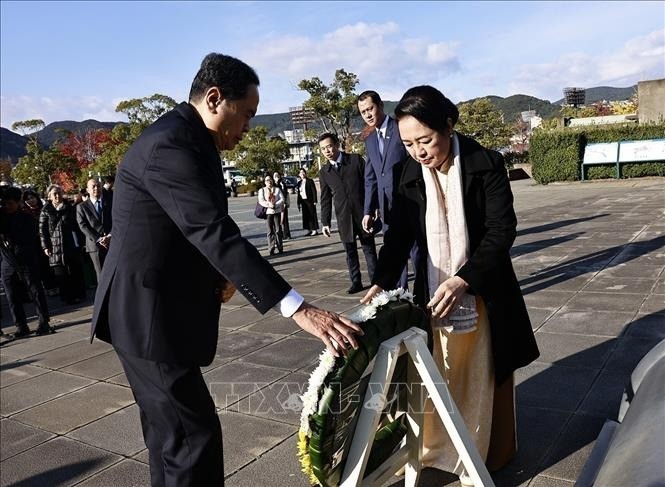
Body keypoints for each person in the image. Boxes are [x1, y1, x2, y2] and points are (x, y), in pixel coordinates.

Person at [90, 53, 363, 487]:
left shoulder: (190, 139)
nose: (250, 128)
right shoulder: (171, 145)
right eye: (248, 115)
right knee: (191, 440)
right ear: (216, 99)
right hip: (147, 316)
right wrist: (298, 308)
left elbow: (182, 227)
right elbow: (211, 228)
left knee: (172, 438)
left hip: (151, 310)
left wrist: (220, 275)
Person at [361, 85, 539, 482]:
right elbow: (398, 239)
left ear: (449, 124)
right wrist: (380, 281)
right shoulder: (406, 171)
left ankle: (483, 451)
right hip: (433, 289)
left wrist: (464, 279)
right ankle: (438, 448)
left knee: (481, 371)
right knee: (437, 368)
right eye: (408, 143)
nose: (419, 152)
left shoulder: (484, 163)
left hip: (481, 288)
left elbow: (500, 231)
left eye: (425, 140)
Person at [357, 90, 418, 290]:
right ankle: (400, 294)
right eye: (363, 111)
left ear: (380, 106)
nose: (367, 114)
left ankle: (423, 292)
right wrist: (368, 210)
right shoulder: (370, 139)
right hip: (386, 208)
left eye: (370, 108)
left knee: (416, 250)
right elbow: (370, 177)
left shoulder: (400, 128)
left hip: (410, 201)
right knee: (393, 251)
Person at [318, 132, 377, 294]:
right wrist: (325, 222)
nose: (327, 151)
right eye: (323, 149)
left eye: (329, 146)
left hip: (362, 215)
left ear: (336, 144)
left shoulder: (355, 160)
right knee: (350, 252)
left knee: (369, 250)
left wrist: (372, 209)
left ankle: (376, 280)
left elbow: (369, 185)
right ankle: (355, 281)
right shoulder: (325, 172)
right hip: (343, 218)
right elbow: (325, 199)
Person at [0, 186, 53, 337]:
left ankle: (44, 321)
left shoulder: (26, 218)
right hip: (7, 262)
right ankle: (21, 325)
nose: (6, 206)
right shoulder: (1, 217)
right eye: (4, 203)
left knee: (35, 291)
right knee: (12, 295)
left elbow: (28, 241)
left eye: (9, 203)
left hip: (26, 260)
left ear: (18, 203)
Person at [39, 184, 86, 305]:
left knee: (75, 270)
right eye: (54, 194)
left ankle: (79, 294)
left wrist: (80, 242)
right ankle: (67, 297)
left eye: (59, 193)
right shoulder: (45, 210)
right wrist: (45, 246)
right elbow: (42, 230)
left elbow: (76, 225)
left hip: (70, 242)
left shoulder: (69, 207)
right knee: (61, 273)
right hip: (55, 245)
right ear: (49, 196)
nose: (57, 196)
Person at [22, 189, 58, 296]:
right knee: (42, 266)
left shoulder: (45, 209)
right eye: (27, 199)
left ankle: (56, 285)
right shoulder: (25, 213)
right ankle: (48, 287)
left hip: (48, 239)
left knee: (52, 263)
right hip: (35, 242)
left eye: (32, 198)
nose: (31, 201)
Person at [76, 178, 112, 283]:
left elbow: (117, 220)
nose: (96, 188)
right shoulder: (82, 207)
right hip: (95, 245)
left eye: (98, 186)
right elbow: (83, 226)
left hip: (112, 241)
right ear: (88, 189)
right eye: (93, 186)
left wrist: (110, 235)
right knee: (101, 274)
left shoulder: (110, 202)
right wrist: (99, 239)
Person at [258, 175, 284, 255]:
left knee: (278, 230)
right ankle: (271, 249)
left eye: (270, 180)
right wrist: (269, 204)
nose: (269, 181)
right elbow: (261, 201)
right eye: (267, 180)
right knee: (270, 231)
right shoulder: (262, 190)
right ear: (265, 182)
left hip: (276, 211)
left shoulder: (277, 189)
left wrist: (275, 204)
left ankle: (280, 247)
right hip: (268, 212)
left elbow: (282, 199)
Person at [297, 167, 319, 236]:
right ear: (299, 174)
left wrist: (315, 200)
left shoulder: (310, 181)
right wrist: (298, 202)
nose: (302, 174)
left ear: (305, 173)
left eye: (303, 172)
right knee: (306, 216)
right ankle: (309, 229)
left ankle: (314, 229)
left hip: (310, 200)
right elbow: (298, 193)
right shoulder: (299, 182)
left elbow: (314, 191)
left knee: (312, 215)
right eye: (301, 173)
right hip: (303, 201)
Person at [273, 171, 292, 239]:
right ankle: (279, 235)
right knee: (277, 220)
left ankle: (287, 234)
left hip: (283, 204)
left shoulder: (282, 183)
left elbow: (285, 193)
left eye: (277, 175)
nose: (276, 177)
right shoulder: (273, 185)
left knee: (285, 220)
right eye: (275, 175)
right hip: (276, 204)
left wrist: (285, 203)